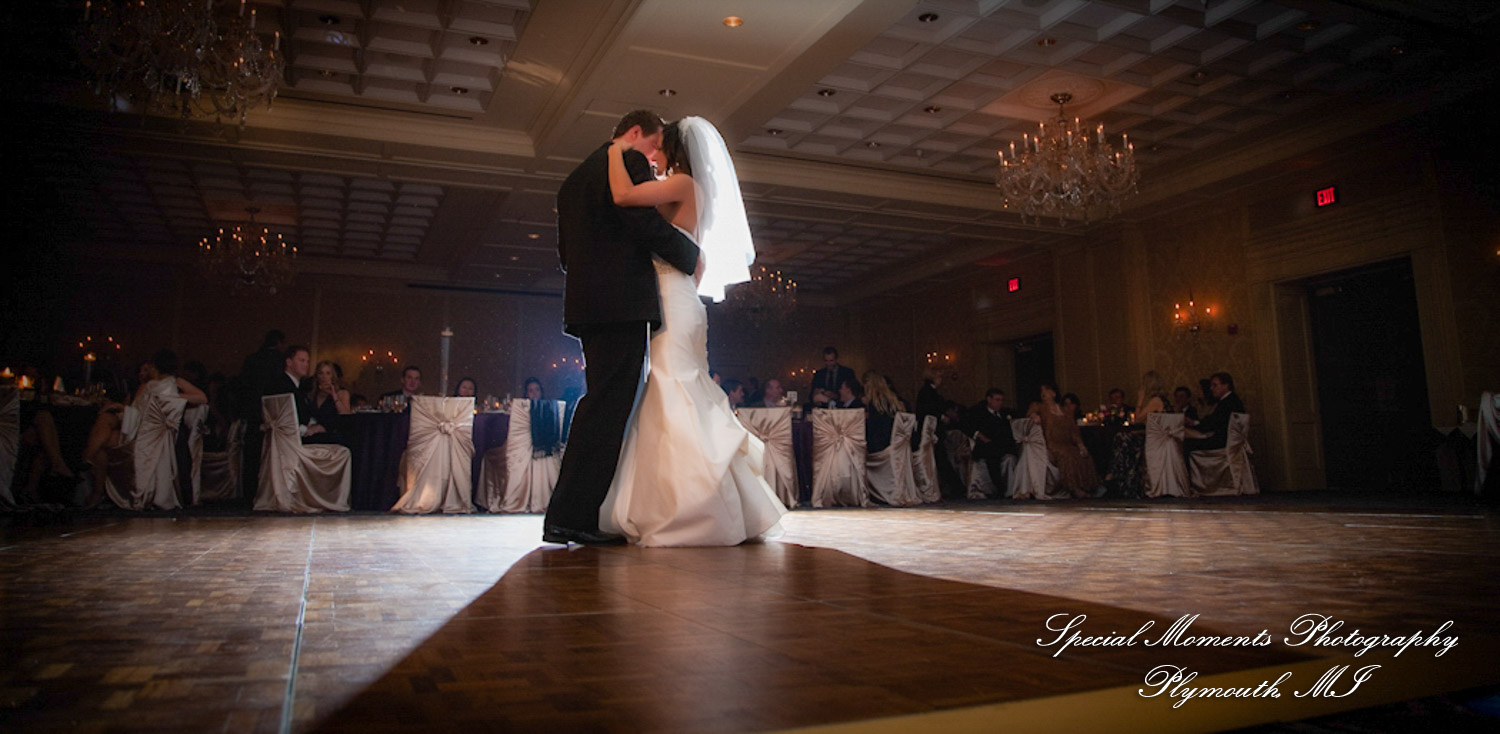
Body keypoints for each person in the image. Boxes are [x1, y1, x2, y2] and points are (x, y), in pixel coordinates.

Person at [593, 114, 786, 547]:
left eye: (660, 147)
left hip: (674, 302)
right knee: (677, 388)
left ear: (675, 150)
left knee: (673, 386)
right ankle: (692, 502)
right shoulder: (690, 189)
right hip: (679, 297)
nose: (654, 154)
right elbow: (696, 263)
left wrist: (614, 151)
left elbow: (624, 195)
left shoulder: (682, 185)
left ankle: (689, 509)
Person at [542, 109, 704, 546]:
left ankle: (571, 514)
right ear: (636, 134)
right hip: (621, 305)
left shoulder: (572, 180)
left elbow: (564, 255)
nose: (653, 162)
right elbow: (642, 222)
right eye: (653, 148)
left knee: (599, 402)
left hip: (588, 305)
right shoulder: (626, 158)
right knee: (607, 409)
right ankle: (571, 518)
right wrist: (690, 257)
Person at [81, 349, 207, 508]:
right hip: (147, 435)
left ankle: (84, 464)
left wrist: (171, 399)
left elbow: (139, 415)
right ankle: (92, 481)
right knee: (105, 426)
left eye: (148, 368)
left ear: (155, 367)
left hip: (144, 440)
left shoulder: (156, 386)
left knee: (104, 426)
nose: (144, 372)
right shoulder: (154, 385)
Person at [1029, 383, 1100, 499]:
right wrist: (1033, 415)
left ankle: (1089, 487)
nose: (1043, 393)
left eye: (1046, 390)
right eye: (1041, 390)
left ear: (1053, 393)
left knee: (1081, 454)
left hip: (1066, 442)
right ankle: (1074, 489)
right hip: (1052, 443)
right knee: (1067, 455)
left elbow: (1073, 431)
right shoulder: (1039, 406)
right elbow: (1031, 412)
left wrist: (1080, 444)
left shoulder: (1065, 410)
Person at [1106, 371, 1170, 497]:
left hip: (1156, 439)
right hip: (1158, 437)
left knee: (1122, 438)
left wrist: (1140, 400)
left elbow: (1138, 419)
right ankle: (1118, 476)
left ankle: (1117, 477)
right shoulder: (1162, 400)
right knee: (1124, 438)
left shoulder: (1156, 400)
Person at [266, 346, 343, 445]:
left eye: (307, 361)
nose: (306, 365)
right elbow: (282, 420)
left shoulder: (298, 386)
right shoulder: (282, 385)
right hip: (290, 439)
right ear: (289, 362)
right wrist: (306, 430)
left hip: (298, 434)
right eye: (302, 361)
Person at [964, 388, 1018, 491]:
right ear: (989, 399)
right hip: (986, 446)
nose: (1000, 403)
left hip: (1002, 445)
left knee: (1011, 454)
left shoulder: (1004, 413)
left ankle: (1012, 488)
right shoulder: (979, 412)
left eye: (1002, 400)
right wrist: (979, 435)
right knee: (992, 454)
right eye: (997, 400)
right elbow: (967, 426)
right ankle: (998, 487)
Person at [1185, 372, 1245, 455]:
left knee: (1185, 444)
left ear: (1225, 386)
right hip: (1224, 439)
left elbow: (1214, 423)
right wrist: (1195, 422)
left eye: (1214, 385)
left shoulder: (1228, 402)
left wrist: (1195, 424)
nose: (1211, 388)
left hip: (1222, 441)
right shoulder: (1230, 400)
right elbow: (1213, 419)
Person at [308, 360, 352, 426]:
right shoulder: (312, 395)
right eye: (321, 373)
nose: (324, 376)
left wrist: (334, 396)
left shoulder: (342, 393)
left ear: (332, 376)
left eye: (328, 373)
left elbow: (346, 416)